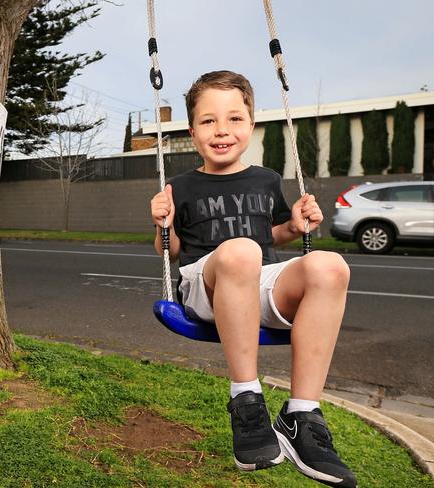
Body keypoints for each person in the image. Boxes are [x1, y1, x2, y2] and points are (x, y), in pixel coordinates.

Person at [150, 70, 356, 487]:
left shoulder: (267, 179)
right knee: (240, 251)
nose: (221, 130)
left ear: (252, 124)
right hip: (203, 286)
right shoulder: (180, 186)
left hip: (258, 283)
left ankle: (301, 414)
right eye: (208, 121)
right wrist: (162, 224)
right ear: (193, 131)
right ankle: (247, 399)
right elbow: (169, 253)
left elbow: (273, 234)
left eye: (234, 118)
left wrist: (296, 226)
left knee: (331, 265)